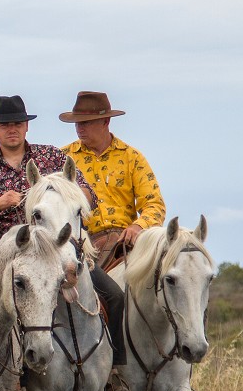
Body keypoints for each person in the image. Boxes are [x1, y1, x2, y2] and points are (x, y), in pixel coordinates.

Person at [0, 94, 130, 391]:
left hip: (60, 249)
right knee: (12, 313)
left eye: (18, 123)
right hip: (9, 255)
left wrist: (67, 191)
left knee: (113, 295)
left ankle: (113, 372)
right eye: (5, 125)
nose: (12, 130)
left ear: (26, 126)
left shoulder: (51, 157)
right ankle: (16, 388)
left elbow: (88, 195)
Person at [60, 91, 166, 269]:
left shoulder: (132, 158)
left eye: (85, 122)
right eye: (77, 123)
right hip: (82, 242)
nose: (79, 128)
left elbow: (154, 204)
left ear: (105, 122)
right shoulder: (63, 158)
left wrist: (138, 227)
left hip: (125, 241)